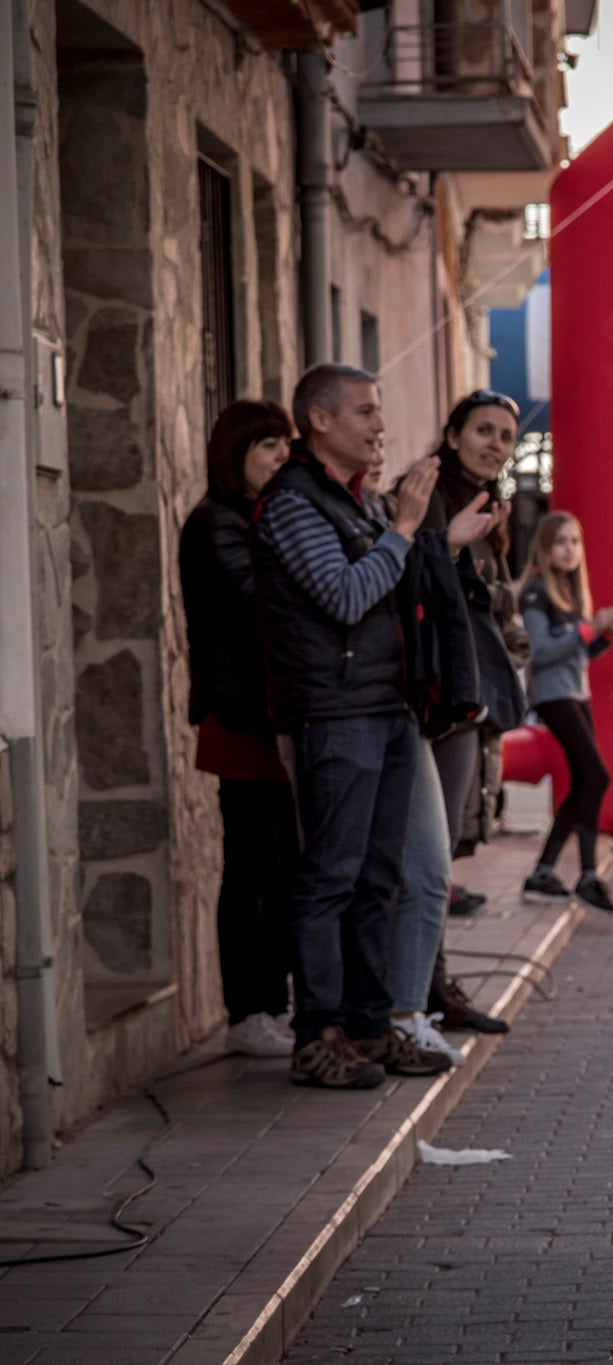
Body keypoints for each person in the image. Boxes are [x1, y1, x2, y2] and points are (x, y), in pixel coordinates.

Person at [253, 364, 461, 1087]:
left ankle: (371, 1030)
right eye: (366, 412)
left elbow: (396, 586)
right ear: (320, 420)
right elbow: (346, 596)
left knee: (381, 878)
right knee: (330, 879)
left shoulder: (358, 502)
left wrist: (432, 538)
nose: (380, 425)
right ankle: (317, 1036)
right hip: (335, 711)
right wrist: (405, 526)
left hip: (387, 705)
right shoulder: (291, 504)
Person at [179, 400, 298, 1059]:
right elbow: (260, 602)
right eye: (267, 446)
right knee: (253, 864)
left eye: (285, 444)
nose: (282, 455)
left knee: (281, 863)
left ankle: (271, 1002)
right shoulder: (216, 525)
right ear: (236, 454)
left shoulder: (254, 517)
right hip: (243, 716)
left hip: (272, 712)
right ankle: (247, 1011)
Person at [416, 391, 529, 1036]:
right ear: (452, 432)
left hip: (475, 699)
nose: (495, 443)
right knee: (429, 857)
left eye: (507, 436)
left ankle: (431, 987)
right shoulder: (433, 494)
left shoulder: (489, 507)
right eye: (483, 430)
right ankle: (425, 993)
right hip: (444, 701)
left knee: (446, 850)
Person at [520, 512, 613, 912]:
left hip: (575, 691)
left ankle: (546, 871)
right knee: (596, 776)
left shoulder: (570, 592)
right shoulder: (537, 592)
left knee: (588, 780)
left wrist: (606, 635)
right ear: (545, 547)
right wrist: (589, 628)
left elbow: (579, 652)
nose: (570, 550)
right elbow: (542, 652)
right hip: (554, 696)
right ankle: (586, 874)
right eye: (561, 542)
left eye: (575, 541)